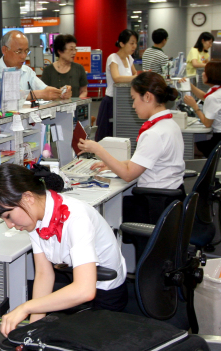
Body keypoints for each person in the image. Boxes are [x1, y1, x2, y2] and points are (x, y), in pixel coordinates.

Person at [0, 164, 127, 337]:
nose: (10, 225)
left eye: (8, 216)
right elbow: (44, 274)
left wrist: (26, 307)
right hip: (77, 279)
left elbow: (85, 291)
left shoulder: (76, 217)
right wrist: (33, 330)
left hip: (105, 292)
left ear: (27, 197)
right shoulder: (34, 218)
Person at [79, 72, 185, 223]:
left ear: (147, 97)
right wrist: (112, 164)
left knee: (103, 214)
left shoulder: (154, 133)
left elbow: (128, 175)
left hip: (155, 205)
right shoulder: (169, 124)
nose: (133, 105)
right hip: (170, 200)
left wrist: (98, 150)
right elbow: (146, 161)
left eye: (134, 99)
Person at [0, 30, 68, 100]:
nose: (24, 56)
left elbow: (43, 89)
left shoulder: (27, 70)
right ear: (4, 50)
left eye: (26, 51)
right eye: (19, 51)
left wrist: (60, 93)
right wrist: (38, 94)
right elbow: (4, 96)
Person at [95, 29, 139, 141]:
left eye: (135, 43)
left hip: (125, 100)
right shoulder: (113, 58)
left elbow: (135, 74)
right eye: (131, 43)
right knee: (107, 134)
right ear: (122, 44)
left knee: (122, 131)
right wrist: (135, 78)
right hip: (111, 101)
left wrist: (137, 77)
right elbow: (117, 78)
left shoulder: (129, 58)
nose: (134, 46)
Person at [183, 61, 221, 157]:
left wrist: (195, 106)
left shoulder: (213, 97)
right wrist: (189, 85)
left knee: (191, 148)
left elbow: (207, 124)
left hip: (219, 139)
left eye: (205, 72)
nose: (203, 74)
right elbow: (205, 96)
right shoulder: (216, 90)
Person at [41, 34, 88, 99]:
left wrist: (78, 102)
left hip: (75, 107)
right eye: (71, 49)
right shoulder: (48, 70)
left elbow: (84, 91)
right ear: (60, 51)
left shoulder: (79, 68)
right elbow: (44, 94)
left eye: (75, 49)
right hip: (54, 107)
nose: (74, 53)